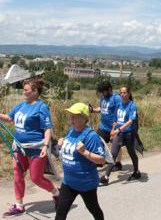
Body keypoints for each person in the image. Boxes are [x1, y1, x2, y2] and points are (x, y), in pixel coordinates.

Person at [0, 78, 60, 217]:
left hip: (36, 148)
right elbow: (9, 118)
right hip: (19, 147)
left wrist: (46, 145)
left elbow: (47, 129)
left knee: (36, 178)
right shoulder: (21, 105)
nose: (24, 91)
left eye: (26, 89)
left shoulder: (41, 107)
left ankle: (56, 193)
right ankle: (19, 205)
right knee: (17, 175)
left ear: (35, 91)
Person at [55, 103, 105, 220]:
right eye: (70, 115)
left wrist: (85, 152)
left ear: (84, 118)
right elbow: (66, 152)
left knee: (94, 209)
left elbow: (102, 159)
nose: (71, 119)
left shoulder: (91, 136)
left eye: (75, 116)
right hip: (68, 182)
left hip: (86, 184)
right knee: (60, 212)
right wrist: (61, 144)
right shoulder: (71, 131)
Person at [100, 86, 141, 185]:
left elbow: (131, 121)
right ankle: (106, 177)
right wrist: (113, 131)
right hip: (119, 134)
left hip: (129, 134)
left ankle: (136, 171)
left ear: (129, 93)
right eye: (121, 93)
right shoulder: (118, 105)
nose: (122, 95)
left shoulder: (132, 106)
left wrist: (118, 129)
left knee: (132, 154)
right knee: (113, 154)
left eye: (124, 93)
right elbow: (115, 119)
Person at [91, 81, 122, 170]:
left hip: (114, 128)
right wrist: (92, 110)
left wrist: (115, 129)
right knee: (98, 143)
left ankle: (118, 163)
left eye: (103, 91)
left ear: (109, 90)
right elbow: (101, 108)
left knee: (116, 146)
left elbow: (119, 114)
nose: (102, 93)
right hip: (103, 127)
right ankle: (100, 162)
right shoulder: (103, 98)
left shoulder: (116, 98)